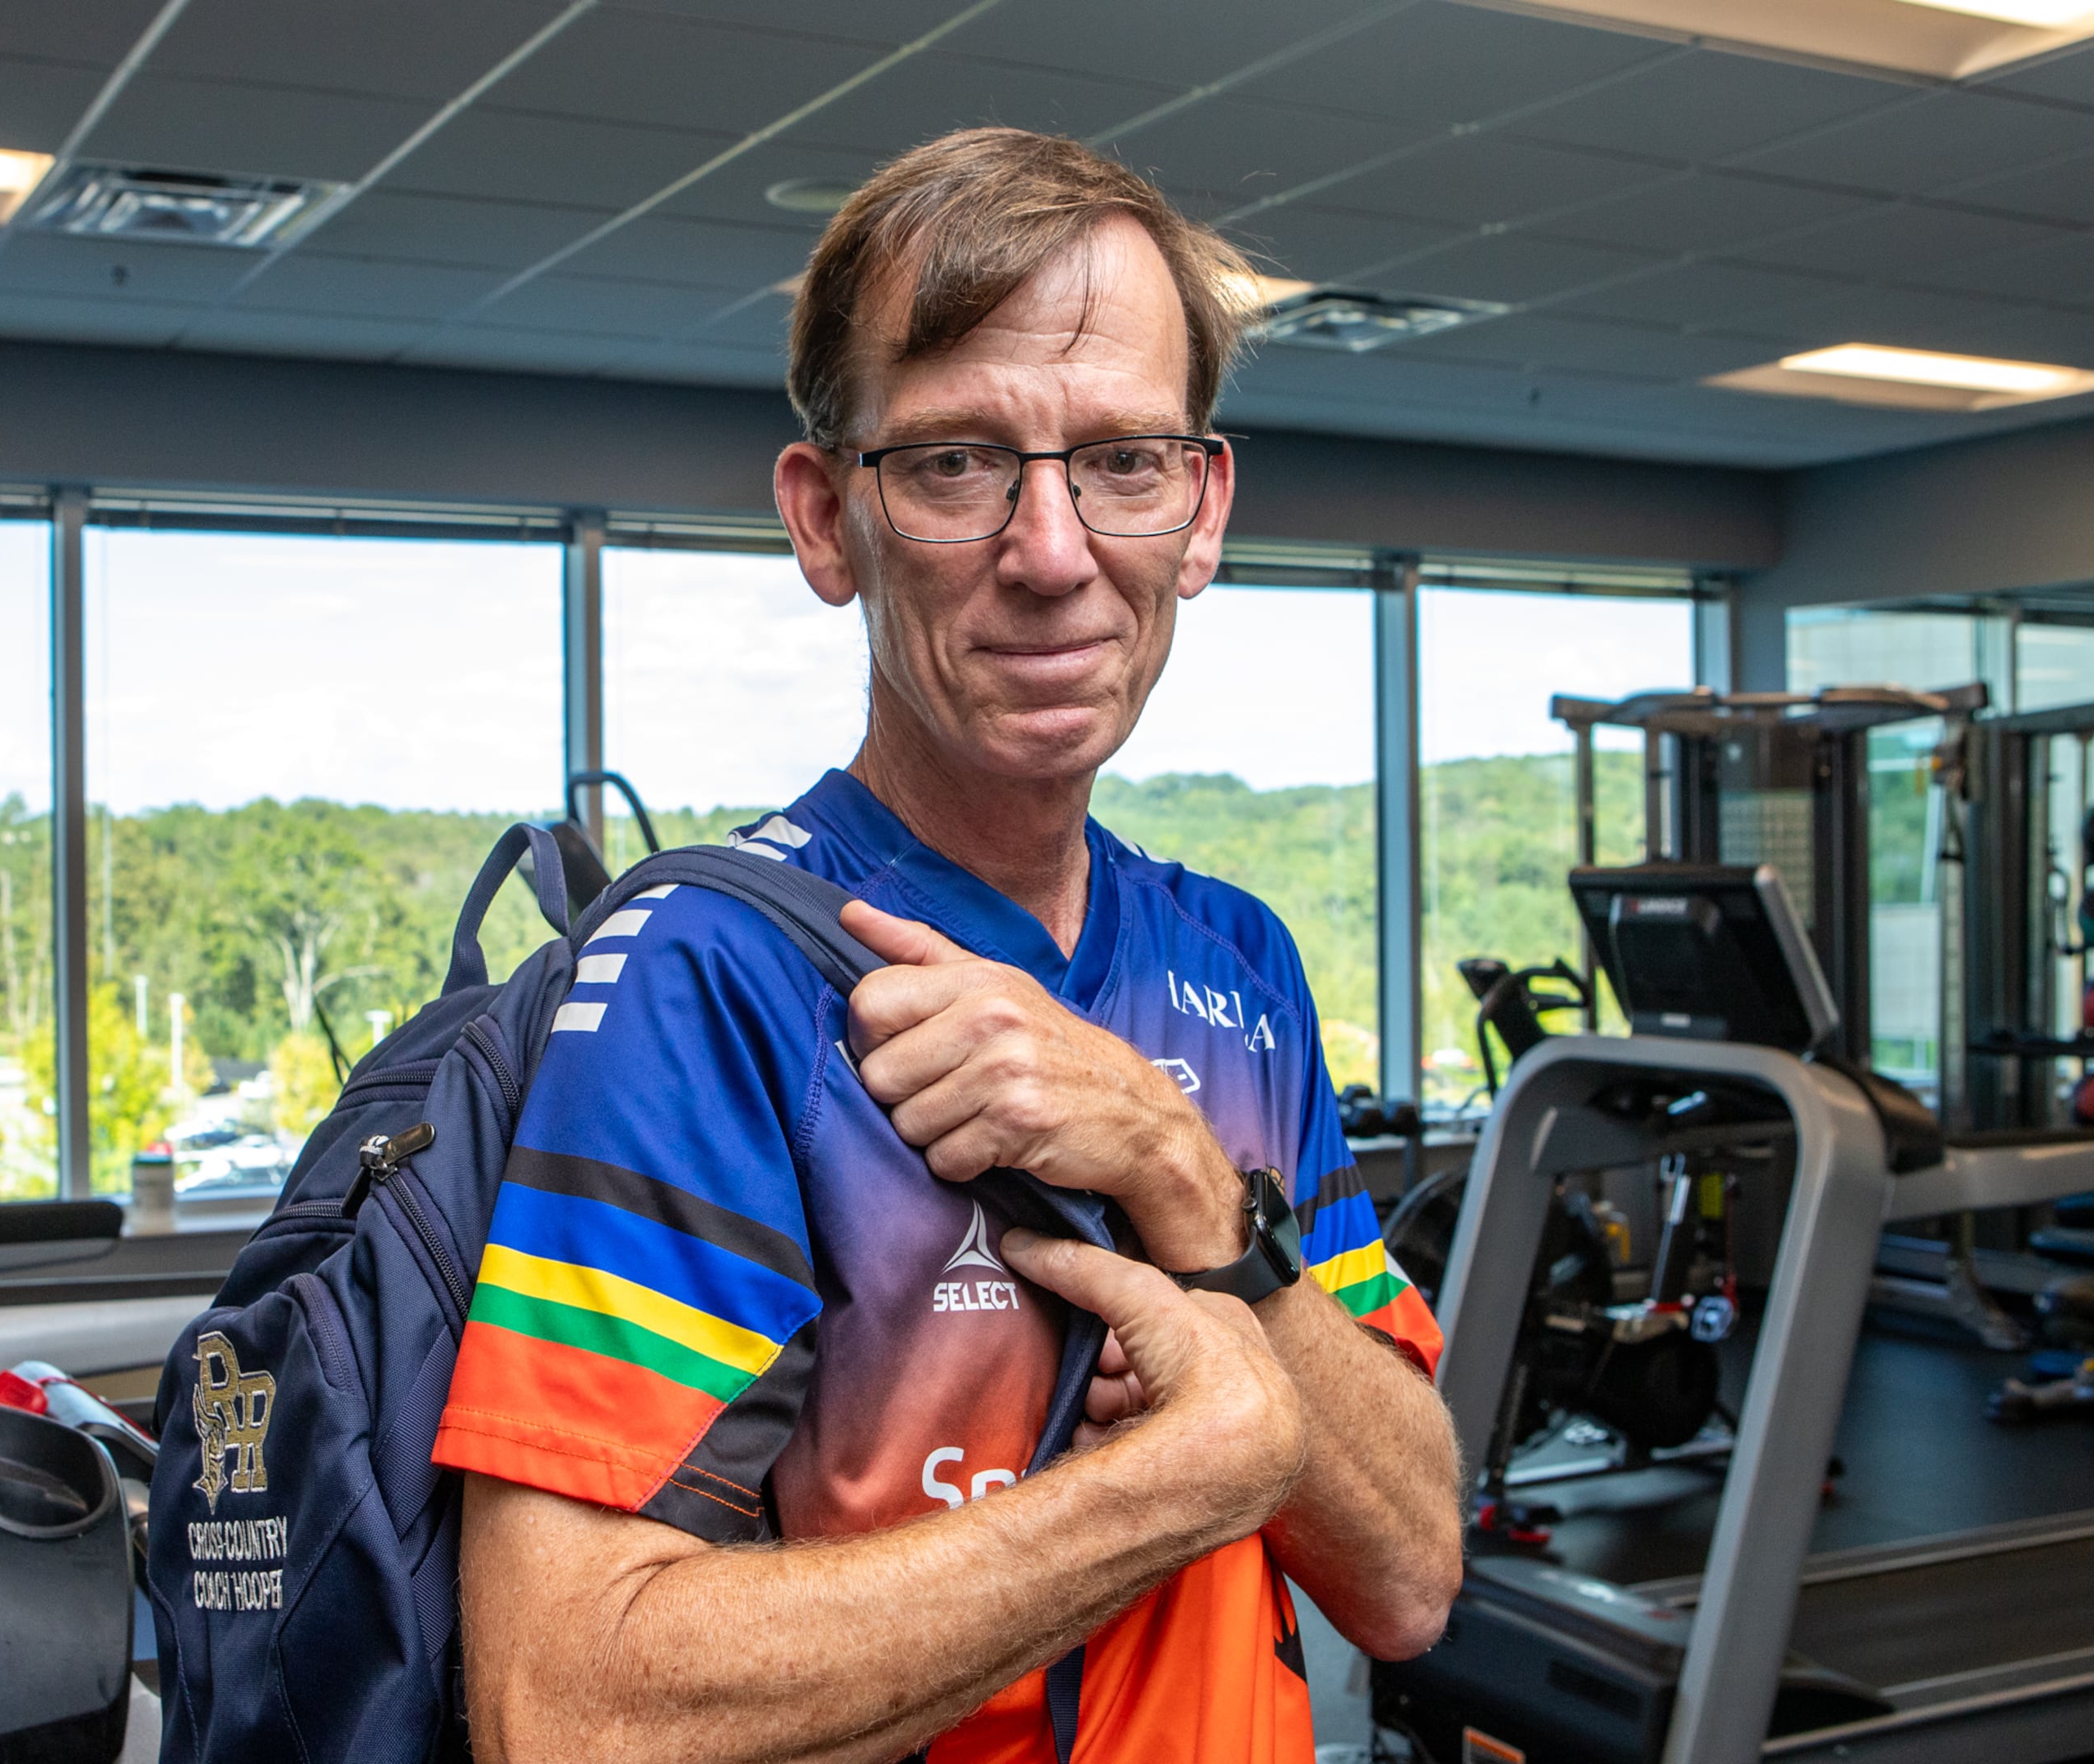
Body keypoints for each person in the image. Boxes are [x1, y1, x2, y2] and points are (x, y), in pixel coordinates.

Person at [432, 127, 1463, 1764]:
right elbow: (568, 1708)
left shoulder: (1238, 961)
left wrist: (1182, 1173)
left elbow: (1409, 1577)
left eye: (1125, 461)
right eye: (956, 465)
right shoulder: (715, 977)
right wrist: (1172, 1483)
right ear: (825, 522)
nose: (1052, 555)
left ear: (1201, 511)